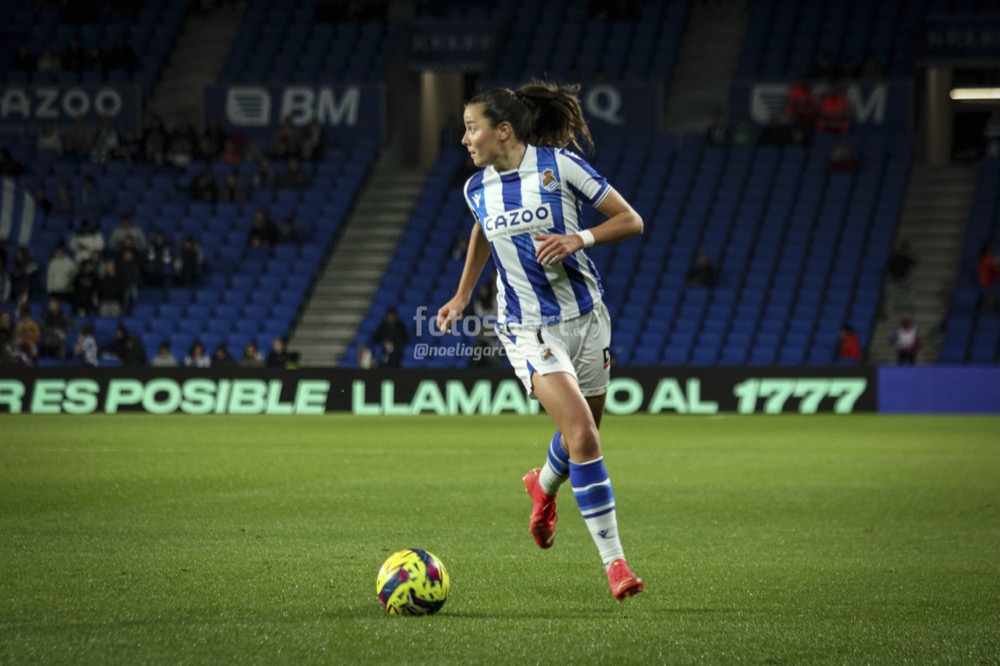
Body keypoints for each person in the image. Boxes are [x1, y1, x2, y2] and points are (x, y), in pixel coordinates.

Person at [435, 81, 645, 601]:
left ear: (503, 131)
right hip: (528, 328)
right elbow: (482, 231)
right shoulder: (476, 188)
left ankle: (542, 484)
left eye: (472, 128)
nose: (465, 138)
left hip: (587, 319)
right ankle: (616, 565)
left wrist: (579, 238)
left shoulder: (561, 167)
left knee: (581, 438)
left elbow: (631, 220)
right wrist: (462, 295)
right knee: (585, 436)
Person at [39, 296, 74, 363]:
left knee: (61, 342)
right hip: (49, 337)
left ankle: (61, 362)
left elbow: (72, 326)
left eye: (53, 305)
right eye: (50, 305)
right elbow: (43, 327)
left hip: (59, 339)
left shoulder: (63, 316)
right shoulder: (46, 316)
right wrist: (54, 330)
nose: (51, 306)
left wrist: (64, 333)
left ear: (58, 306)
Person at [977, 240, 999, 312]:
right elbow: (995, 267)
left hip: (986, 283)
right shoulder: (988, 258)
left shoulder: (983, 258)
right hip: (988, 284)